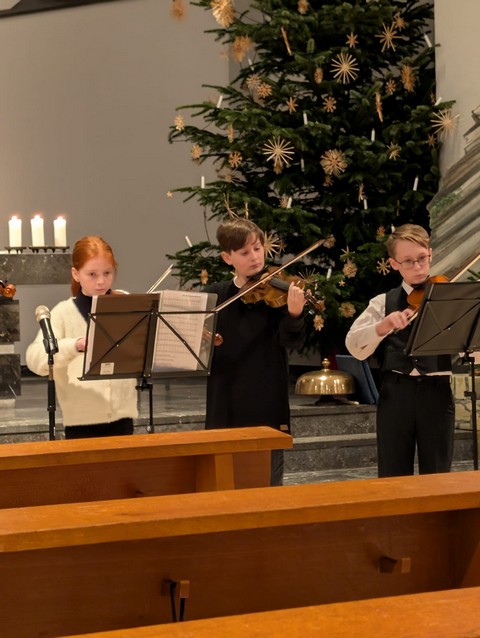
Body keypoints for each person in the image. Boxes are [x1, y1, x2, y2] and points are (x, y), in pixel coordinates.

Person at [345, 223, 454, 477]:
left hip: (436, 394)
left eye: (422, 258)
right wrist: (381, 327)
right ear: (394, 264)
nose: (417, 267)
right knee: (393, 473)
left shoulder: (448, 296)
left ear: (431, 254)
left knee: (438, 474)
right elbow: (354, 346)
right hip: (396, 394)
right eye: (408, 261)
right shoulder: (383, 302)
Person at [204, 218, 307, 486]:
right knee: (223, 484)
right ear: (227, 258)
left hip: (266, 401)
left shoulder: (277, 293)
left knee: (268, 485)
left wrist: (294, 314)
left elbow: (292, 342)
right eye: (244, 252)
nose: (254, 257)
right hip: (226, 402)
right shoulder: (215, 296)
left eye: (258, 249)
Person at [26, 235, 138, 439]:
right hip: (81, 425)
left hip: (123, 420)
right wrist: (74, 346)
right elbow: (35, 359)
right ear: (76, 274)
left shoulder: (125, 304)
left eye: (107, 273)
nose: (101, 281)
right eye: (92, 274)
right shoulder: (63, 312)